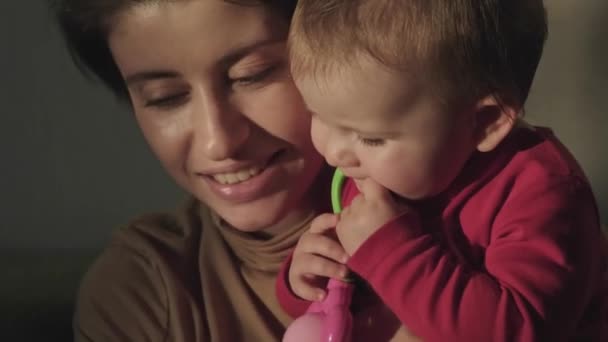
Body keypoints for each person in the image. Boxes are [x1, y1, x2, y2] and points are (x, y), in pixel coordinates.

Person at [277, 0, 608, 341]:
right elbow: (343, 304)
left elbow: (514, 330)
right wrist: (307, 280)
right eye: (318, 115)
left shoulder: (543, 195)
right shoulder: (373, 171)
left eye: (371, 138)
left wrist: (392, 255)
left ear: (484, 122)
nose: (333, 154)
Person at [53, 0, 334, 341]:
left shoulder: (415, 225)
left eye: (253, 73)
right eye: (165, 97)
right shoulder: (141, 294)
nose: (218, 143)